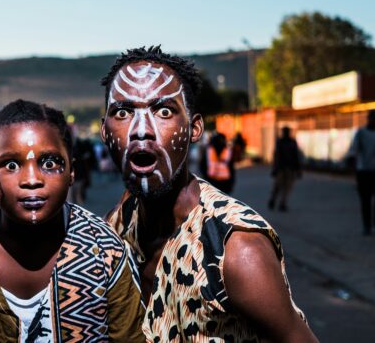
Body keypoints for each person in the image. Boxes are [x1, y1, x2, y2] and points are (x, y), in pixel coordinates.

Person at [100, 46, 317, 342]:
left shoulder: (236, 250)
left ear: (194, 128)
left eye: (163, 111)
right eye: (123, 112)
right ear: (104, 131)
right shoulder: (118, 224)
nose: (141, 130)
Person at [0, 100, 145, 342]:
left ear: (72, 172)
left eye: (50, 163)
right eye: (11, 165)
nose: (32, 179)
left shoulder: (105, 249)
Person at [347, 110, 375, 235]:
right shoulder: (361, 133)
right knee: (365, 200)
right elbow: (354, 150)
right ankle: (367, 225)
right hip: (364, 171)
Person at [268, 126, 302, 212]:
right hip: (282, 168)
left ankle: (282, 202)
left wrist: (298, 169)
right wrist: (275, 168)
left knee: (286, 187)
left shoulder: (290, 142)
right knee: (278, 186)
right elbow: (277, 156)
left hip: (288, 168)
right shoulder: (281, 142)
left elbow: (295, 156)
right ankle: (274, 200)